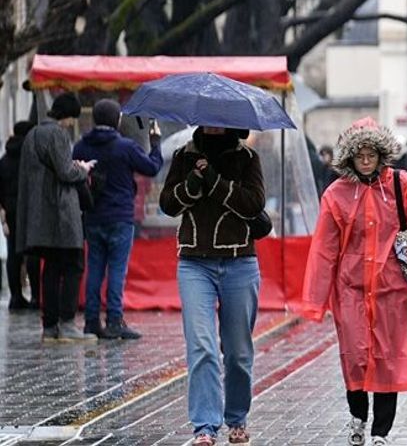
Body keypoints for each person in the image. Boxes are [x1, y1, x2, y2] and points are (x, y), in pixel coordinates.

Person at [303, 117, 407, 446]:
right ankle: (358, 416)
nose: (366, 161)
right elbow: (324, 248)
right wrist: (316, 299)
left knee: (388, 358)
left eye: (371, 154)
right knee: (355, 355)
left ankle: (381, 432)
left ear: (381, 155)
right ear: (350, 157)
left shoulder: (399, 183)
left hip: (391, 288)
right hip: (349, 288)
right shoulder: (336, 194)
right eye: (359, 155)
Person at [159, 126, 266, 446]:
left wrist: (215, 182)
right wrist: (193, 181)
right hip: (194, 264)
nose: (214, 125)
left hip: (239, 263)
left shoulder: (247, 158)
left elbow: (253, 204)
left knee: (237, 353)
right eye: (207, 119)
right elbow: (168, 204)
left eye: (220, 119)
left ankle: (237, 418)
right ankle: (205, 426)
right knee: (202, 346)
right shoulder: (185, 156)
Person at [72, 99, 164, 339]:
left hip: (93, 216)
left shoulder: (81, 146)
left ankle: (91, 321)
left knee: (94, 269)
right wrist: (155, 143)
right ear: (118, 121)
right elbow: (152, 167)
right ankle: (114, 320)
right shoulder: (125, 147)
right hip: (121, 217)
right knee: (116, 270)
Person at [16, 92, 97, 342]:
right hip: (61, 215)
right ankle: (68, 324)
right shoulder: (57, 134)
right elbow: (65, 171)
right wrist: (82, 169)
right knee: (74, 265)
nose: (72, 123)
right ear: (67, 116)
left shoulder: (32, 134)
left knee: (50, 269)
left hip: (40, 216)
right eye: (72, 118)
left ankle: (49, 328)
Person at [0, 120, 39, 310]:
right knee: (32, 252)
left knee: (14, 254)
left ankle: (16, 296)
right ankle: (35, 297)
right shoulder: (31, 157)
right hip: (30, 208)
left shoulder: (4, 159)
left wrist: (3, 213)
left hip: (11, 209)